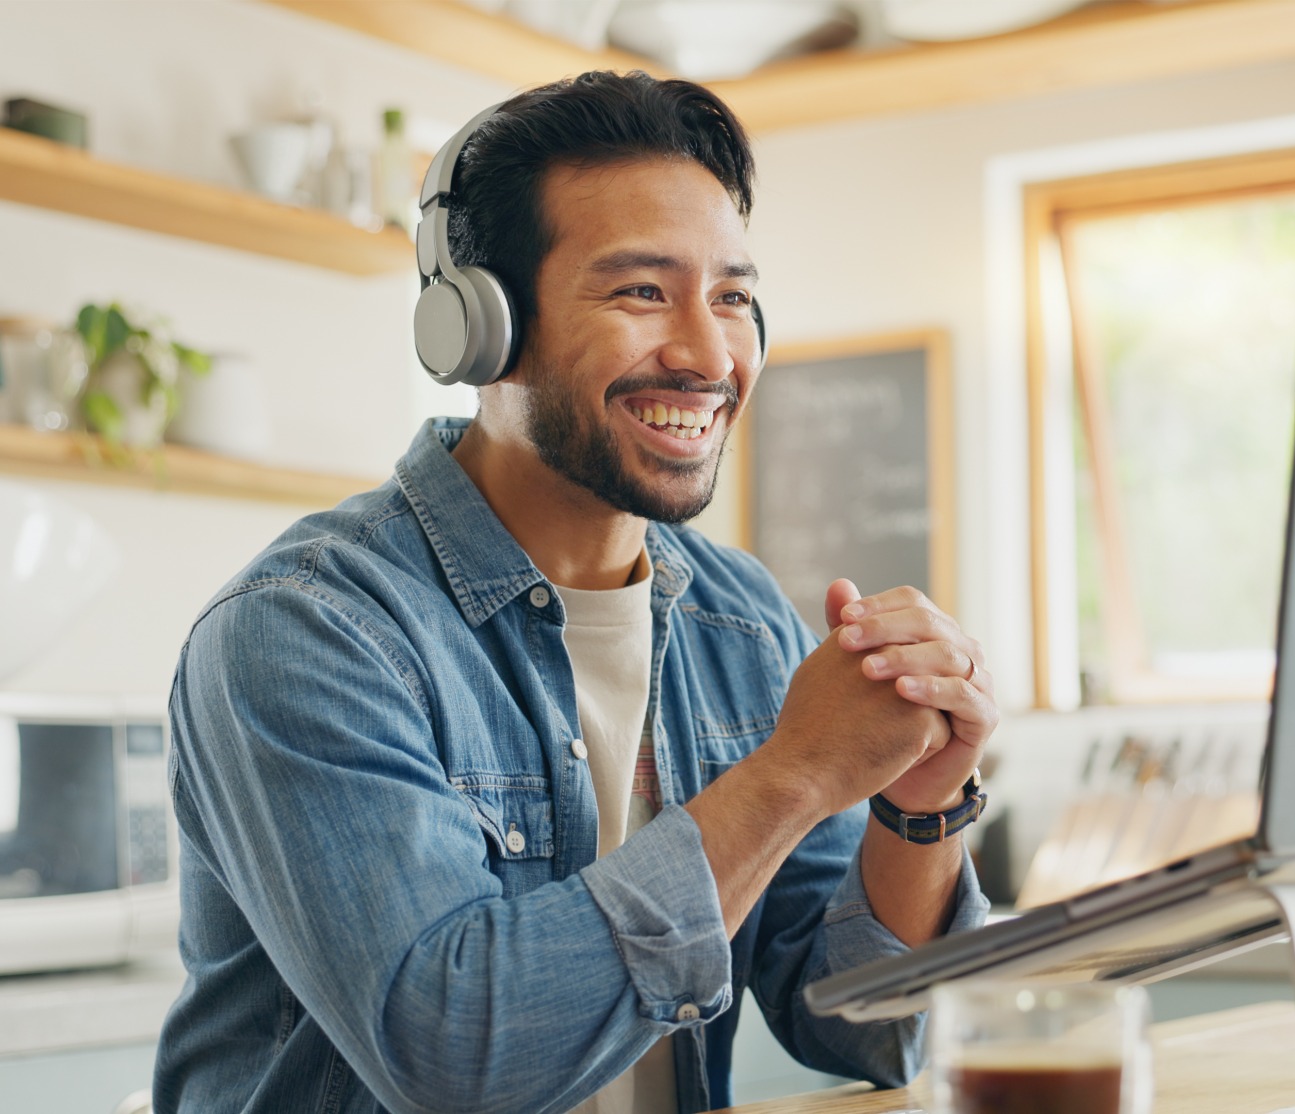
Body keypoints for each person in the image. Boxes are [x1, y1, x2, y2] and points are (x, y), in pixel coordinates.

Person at [154, 70, 996, 1114]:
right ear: (479, 329)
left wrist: (919, 812)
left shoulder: (740, 623)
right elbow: (456, 1057)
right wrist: (794, 774)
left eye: (731, 297)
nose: (706, 353)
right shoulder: (306, 633)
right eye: (641, 291)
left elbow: (870, 1026)